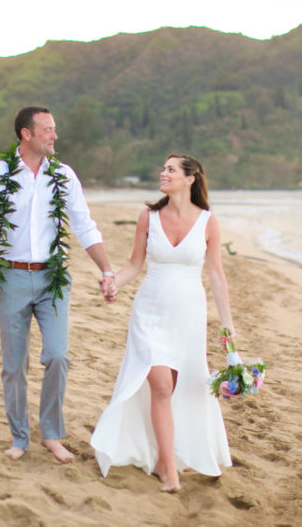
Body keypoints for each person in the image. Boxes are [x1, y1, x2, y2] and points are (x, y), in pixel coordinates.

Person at [0, 106, 117, 462]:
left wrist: (106, 270)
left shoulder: (64, 175)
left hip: (52, 278)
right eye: (48, 130)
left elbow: (84, 225)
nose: (55, 135)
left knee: (58, 355)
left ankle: (51, 434)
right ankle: (19, 437)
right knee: (14, 365)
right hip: (10, 276)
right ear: (26, 134)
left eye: (54, 129)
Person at [90, 154, 235, 492]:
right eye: (163, 168)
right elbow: (134, 264)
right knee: (160, 387)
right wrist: (113, 283)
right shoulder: (149, 217)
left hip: (188, 317)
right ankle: (170, 471)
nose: (163, 173)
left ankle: (161, 460)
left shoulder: (208, 221)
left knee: (180, 389)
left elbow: (217, 276)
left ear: (190, 178)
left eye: (171, 169)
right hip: (149, 313)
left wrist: (227, 327)